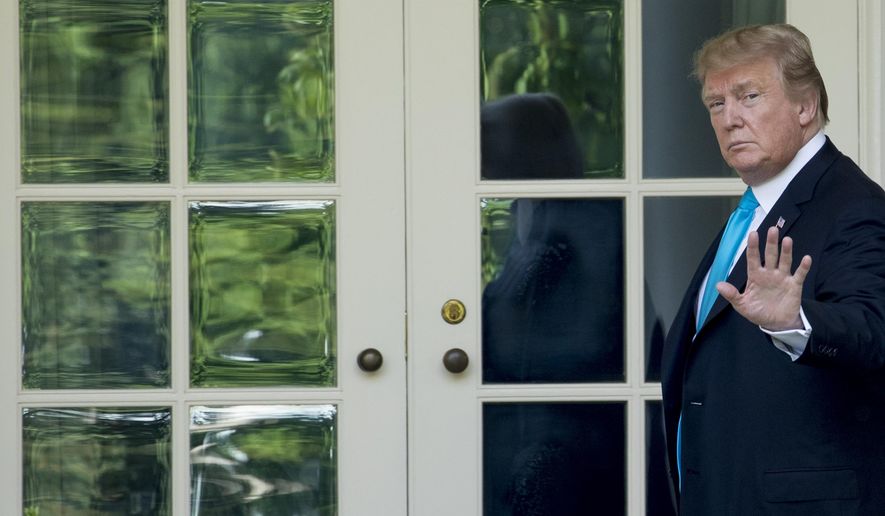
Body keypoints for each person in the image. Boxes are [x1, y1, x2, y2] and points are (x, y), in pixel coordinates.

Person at [661, 24, 885, 514]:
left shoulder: (856, 205)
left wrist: (796, 323)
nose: (730, 119)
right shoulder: (757, 207)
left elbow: (874, 330)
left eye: (749, 96)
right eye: (716, 104)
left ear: (805, 107)